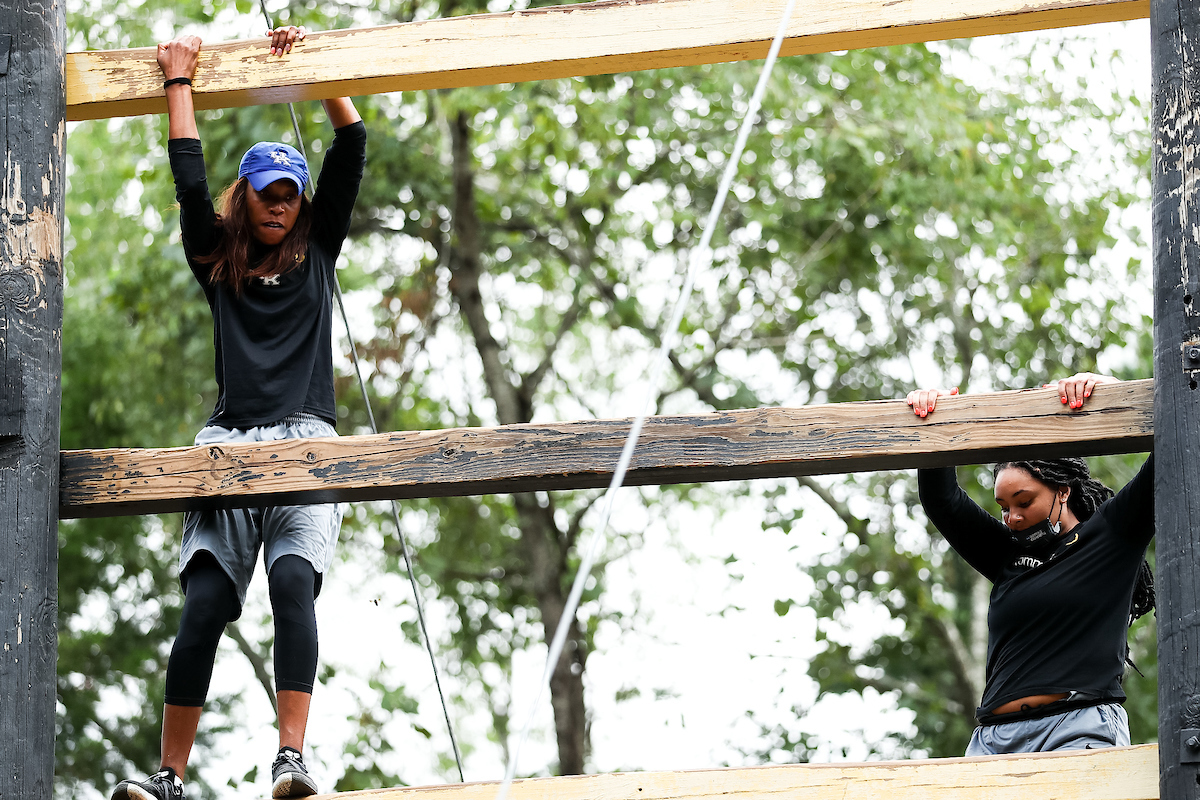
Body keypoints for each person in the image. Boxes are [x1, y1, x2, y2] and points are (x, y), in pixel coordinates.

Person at [112, 26, 365, 800]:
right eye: (268, 194)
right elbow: (189, 182)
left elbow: (352, 142)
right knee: (206, 606)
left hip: (304, 442)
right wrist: (177, 83)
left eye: (292, 195)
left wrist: (314, 69)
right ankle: (169, 777)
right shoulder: (217, 260)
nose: (282, 207)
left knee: (293, 583)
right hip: (228, 443)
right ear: (248, 198)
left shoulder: (319, 250)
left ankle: (291, 759)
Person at [906, 373, 1154, 756]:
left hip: (1078, 725)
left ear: (1063, 489)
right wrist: (936, 417)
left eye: (1024, 502)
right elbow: (942, 501)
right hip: (993, 740)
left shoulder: (1111, 536)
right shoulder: (1007, 555)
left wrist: (1113, 390)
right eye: (1004, 507)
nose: (1012, 517)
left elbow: (1173, 445)